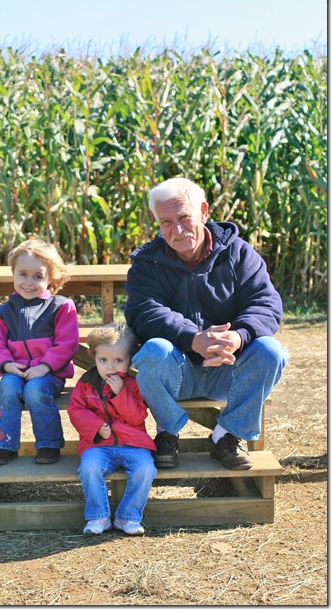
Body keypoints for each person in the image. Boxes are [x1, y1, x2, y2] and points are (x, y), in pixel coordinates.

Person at [124, 177, 290, 470]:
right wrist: (193, 339)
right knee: (153, 350)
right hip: (177, 372)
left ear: (203, 211)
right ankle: (167, 431)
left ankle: (227, 435)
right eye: (166, 222)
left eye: (184, 217)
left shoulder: (239, 253)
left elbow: (265, 304)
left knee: (271, 351)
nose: (177, 230)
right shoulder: (147, 263)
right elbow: (144, 312)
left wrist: (238, 337)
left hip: (230, 369)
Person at [0, 239, 79, 465]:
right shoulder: (1, 314)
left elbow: (67, 343)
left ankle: (49, 444)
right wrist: (6, 364)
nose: (29, 282)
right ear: (13, 274)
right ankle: (5, 445)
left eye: (38, 276)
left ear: (51, 277)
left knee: (35, 390)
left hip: (49, 374)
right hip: (15, 370)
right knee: (7, 387)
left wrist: (44, 367)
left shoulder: (61, 307)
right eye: (23, 274)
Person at [67, 323, 157, 536]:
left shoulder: (134, 384)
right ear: (94, 358)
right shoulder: (86, 384)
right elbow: (75, 410)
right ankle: (98, 516)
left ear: (130, 360)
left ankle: (128, 516)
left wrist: (121, 393)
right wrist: (96, 427)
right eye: (103, 360)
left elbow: (137, 416)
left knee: (145, 469)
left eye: (118, 360)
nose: (110, 367)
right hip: (98, 445)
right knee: (89, 467)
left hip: (133, 443)